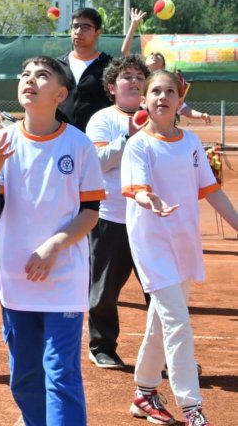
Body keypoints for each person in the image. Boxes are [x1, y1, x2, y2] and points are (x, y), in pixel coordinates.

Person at [0, 56, 105, 426]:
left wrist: (53, 247)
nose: (29, 79)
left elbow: (90, 212)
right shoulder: (1, 142)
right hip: (15, 278)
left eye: (42, 75)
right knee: (25, 375)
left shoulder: (79, 146)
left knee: (61, 372)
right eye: (25, 73)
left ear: (61, 94)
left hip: (63, 276)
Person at [121, 69, 238, 426]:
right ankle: (193, 408)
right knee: (178, 323)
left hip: (184, 242)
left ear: (179, 100)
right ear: (144, 100)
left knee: (162, 319)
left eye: (169, 91)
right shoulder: (138, 144)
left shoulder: (190, 143)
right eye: (154, 91)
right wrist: (148, 199)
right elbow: (137, 190)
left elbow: (212, 190)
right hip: (151, 244)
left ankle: (144, 392)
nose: (161, 97)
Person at [84, 56, 151, 370]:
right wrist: (130, 135)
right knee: (105, 290)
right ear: (112, 87)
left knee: (159, 289)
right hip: (112, 216)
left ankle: (160, 354)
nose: (135, 81)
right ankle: (102, 347)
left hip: (152, 218)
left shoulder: (160, 117)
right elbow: (97, 162)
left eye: (140, 76)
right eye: (127, 76)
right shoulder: (101, 119)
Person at [58, 8, 113, 132]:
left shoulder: (110, 66)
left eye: (85, 27)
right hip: (60, 138)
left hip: (97, 138)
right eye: (75, 26)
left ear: (98, 32)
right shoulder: (57, 66)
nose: (78, 31)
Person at [143, 53, 211, 124]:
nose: (154, 55)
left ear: (163, 66)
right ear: (145, 64)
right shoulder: (138, 84)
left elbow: (184, 108)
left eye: (157, 56)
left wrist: (201, 115)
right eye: (152, 55)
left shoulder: (169, 84)